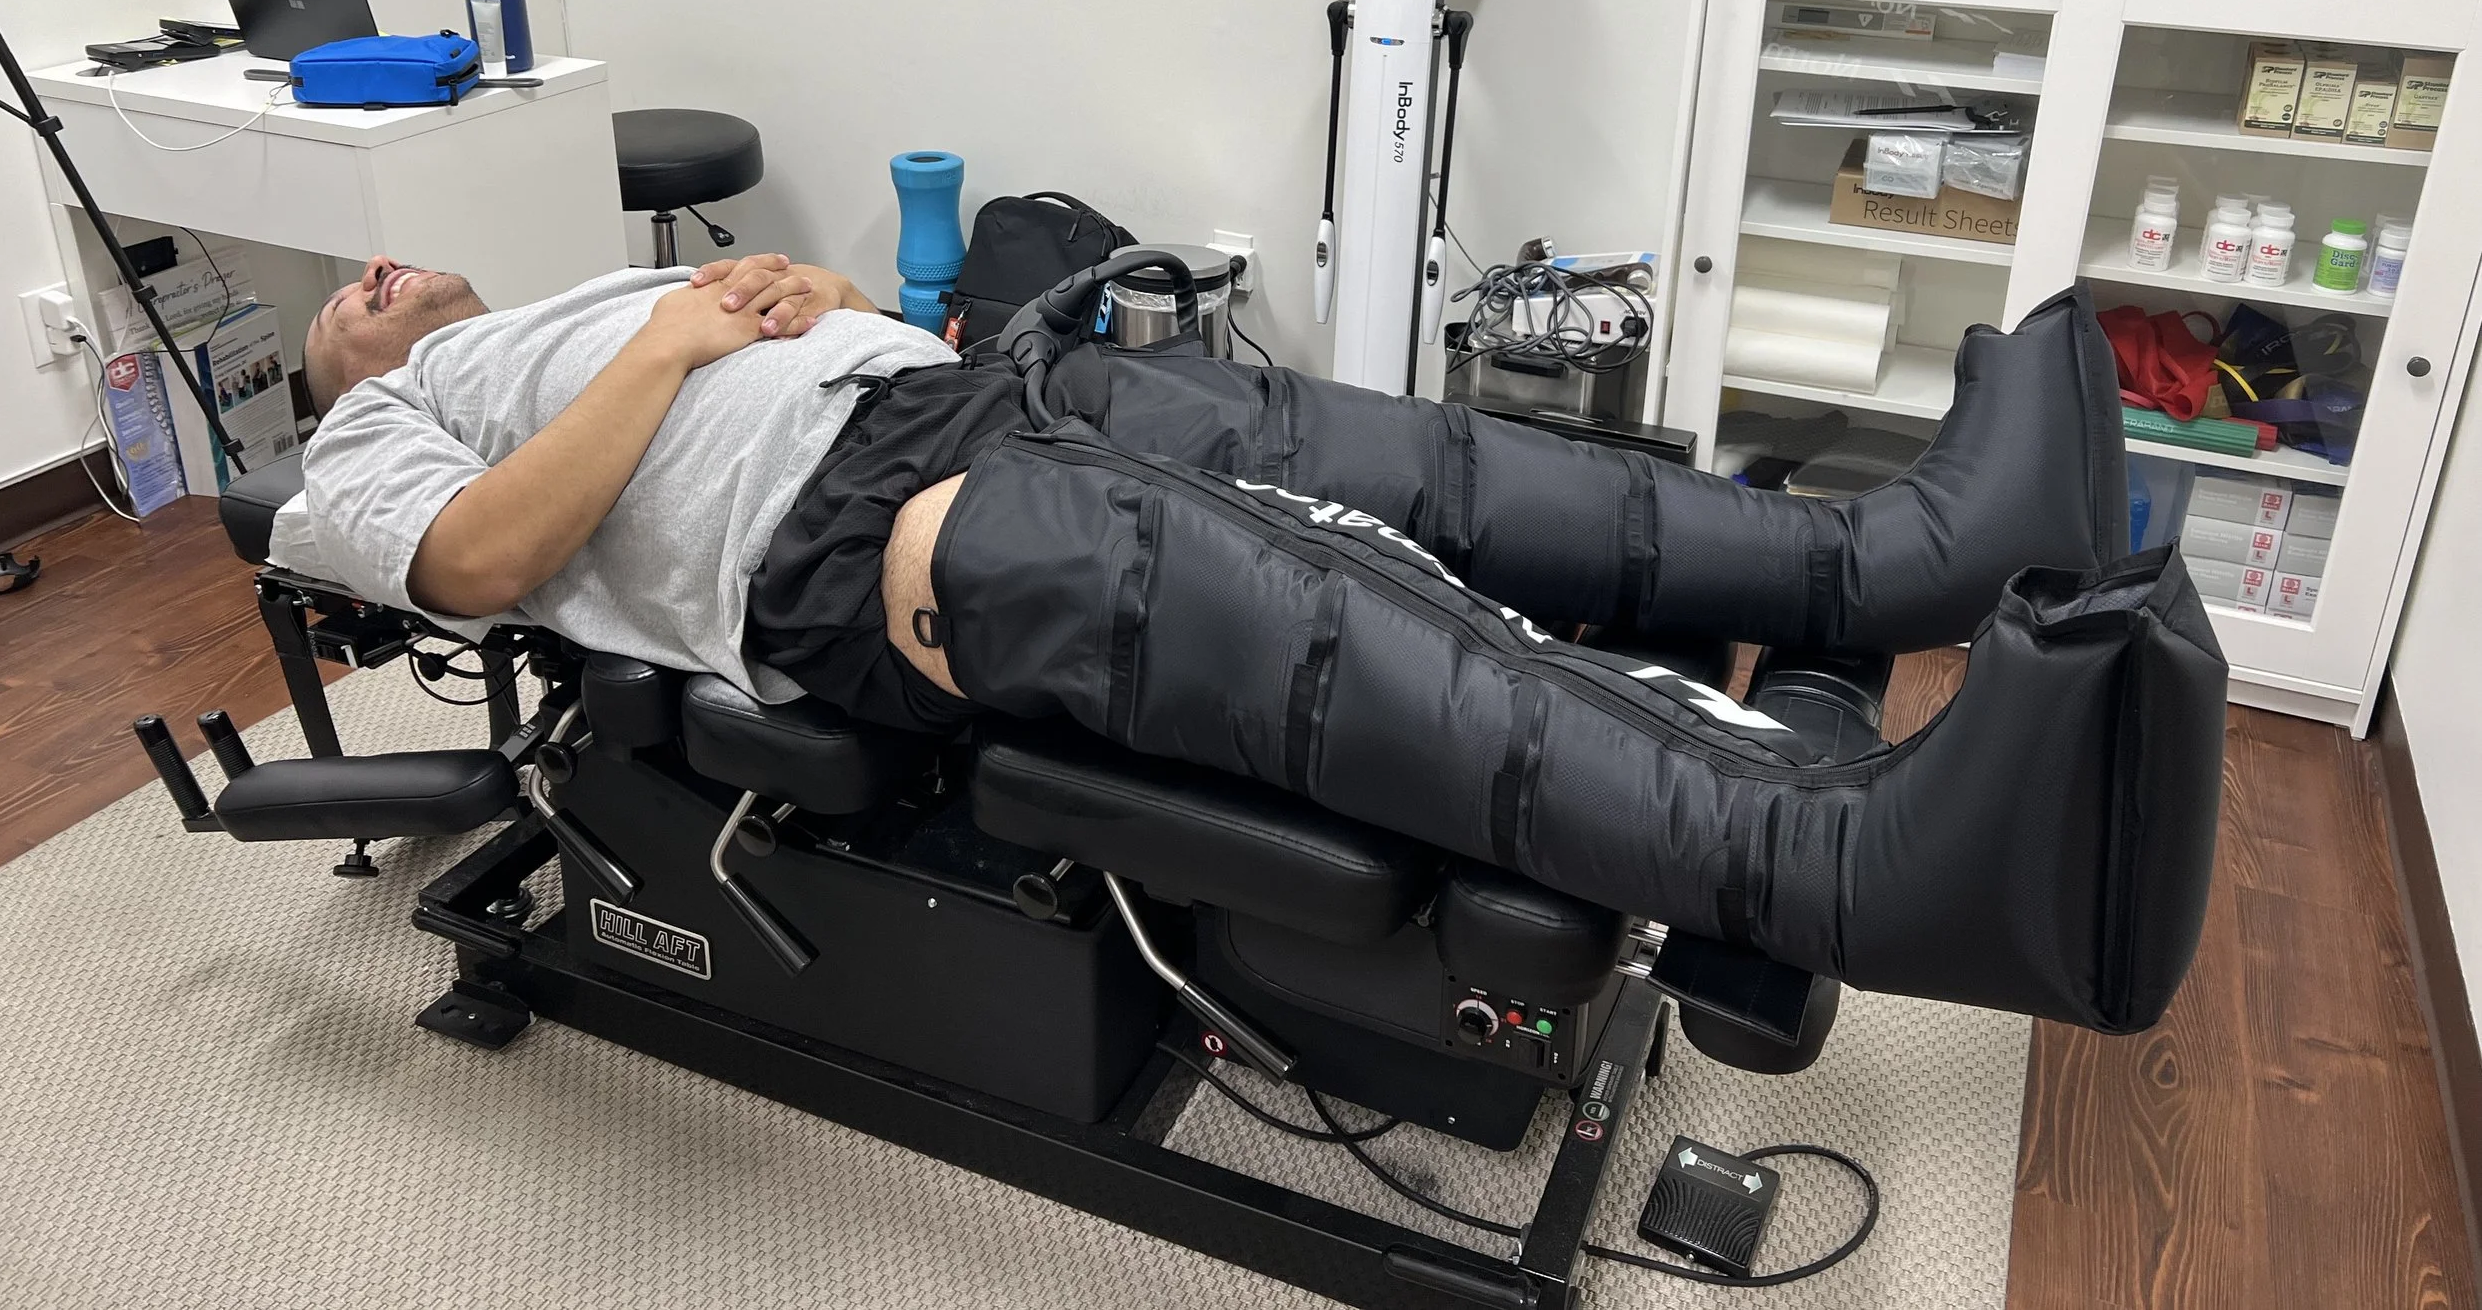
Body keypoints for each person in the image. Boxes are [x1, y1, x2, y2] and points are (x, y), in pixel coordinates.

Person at [286, 248, 2222, 1031]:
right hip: (861, 548)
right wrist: (673, 342)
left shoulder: (547, 284)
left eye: (374, 278)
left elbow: (726, 373)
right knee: (1341, 627)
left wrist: (818, 303)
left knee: (1449, 468)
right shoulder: (389, 421)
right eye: (337, 314)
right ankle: (1845, 863)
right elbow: (467, 560)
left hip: (964, 396)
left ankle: (1892, 561)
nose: (362, 293)